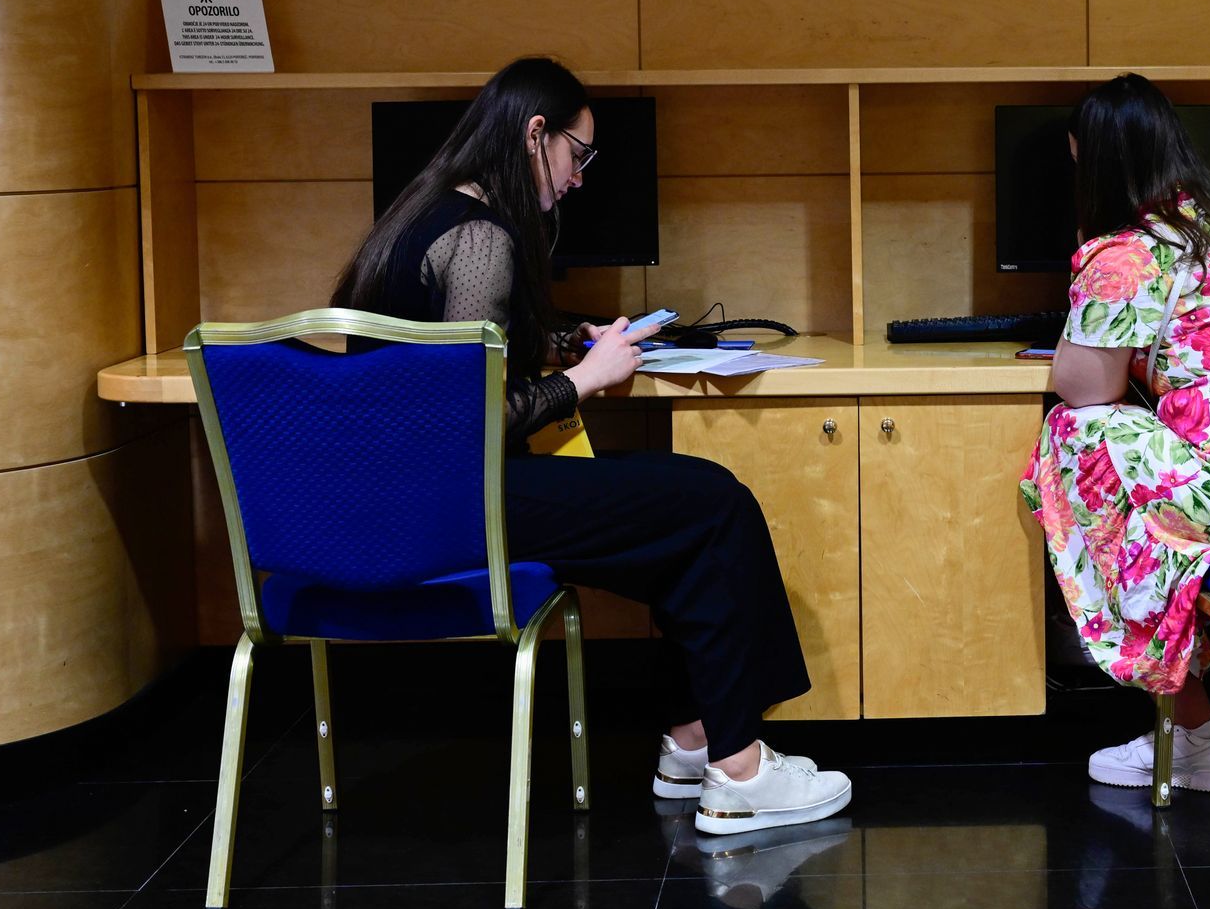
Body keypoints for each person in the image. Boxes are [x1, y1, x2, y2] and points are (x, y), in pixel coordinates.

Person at [332, 55, 850, 835]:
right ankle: (741, 771)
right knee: (714, 503)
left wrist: (559, 342)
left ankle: (697, 740)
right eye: (579, 154)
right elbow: (468, 418)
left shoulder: (419, 215)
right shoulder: (480, 237)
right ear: (535, 134)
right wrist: (586, 379)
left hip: (393, 505)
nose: (579, 178)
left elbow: (445, 361)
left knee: (680, 527)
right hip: (454, 510)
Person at [1021, 73, 1210, 792]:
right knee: (1144, 470)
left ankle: (1196, 731)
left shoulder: (1130, 250)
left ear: (1087, 157)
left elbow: (1085, 386)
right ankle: (1189, 701)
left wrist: (1089, 277)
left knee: (1077, 437)